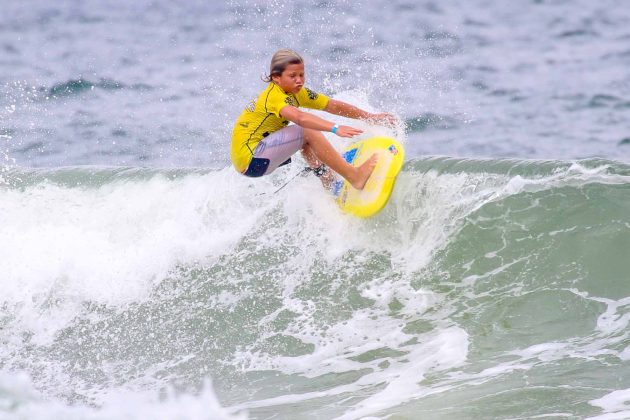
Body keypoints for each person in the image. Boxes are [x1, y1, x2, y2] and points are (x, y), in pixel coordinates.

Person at [230, 49, 396, 190]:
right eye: (292, 76)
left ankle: (328, 181)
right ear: (276, 78)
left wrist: (370, 117)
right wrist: (335, 128)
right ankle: (355, 177)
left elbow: (332, 105)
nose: (299, 80)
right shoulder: (273, 96)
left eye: (302, 74)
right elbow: (300, 118)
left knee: (305, 140)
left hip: (255, 159)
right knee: (306, 130)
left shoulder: (297, 92)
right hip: (252, 159)